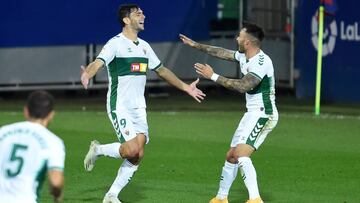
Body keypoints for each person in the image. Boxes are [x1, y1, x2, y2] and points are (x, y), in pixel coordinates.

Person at [80, 3, 205, 203]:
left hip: (139, 108)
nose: (143, 16)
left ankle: (111, 196)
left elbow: (162, 70)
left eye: (143, 12)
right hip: (119, 105)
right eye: (138, 13)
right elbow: (98, 62)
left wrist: (186, 87)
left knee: (137, 155)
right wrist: (88, 73)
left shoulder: (144, 46)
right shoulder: (115, 43)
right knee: (130, 149)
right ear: (126, 20)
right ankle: (99, 150)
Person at [180, 22, 278, 203]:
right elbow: (221, 52)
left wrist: (213, 76)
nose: (236, 38)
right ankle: (221, 198)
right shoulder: (244, 55)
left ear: (247, 42)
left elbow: (243, 86)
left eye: (239, 36)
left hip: (264, 114)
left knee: (241, 154)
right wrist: (196, 45)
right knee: (232, 156)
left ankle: (255, 199)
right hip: (251, 113)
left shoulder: (261, 62)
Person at [0, 90, 65, 203]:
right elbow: (56, 182)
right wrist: (57, 195)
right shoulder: (53, 141)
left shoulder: (3, 132)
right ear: (51, 115)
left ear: (26, 111)